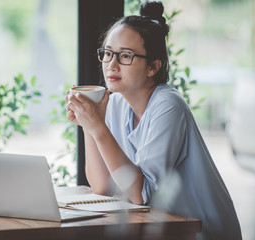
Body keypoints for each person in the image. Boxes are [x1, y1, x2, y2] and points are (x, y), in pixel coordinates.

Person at [66, 1, 242, 239]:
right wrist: (89, 123)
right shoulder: (117, 103)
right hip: (161, 229)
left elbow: (141, 194)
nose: (111, 64)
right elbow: (103, 187)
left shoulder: (168, 106)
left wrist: (98, 127)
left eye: (125, 55)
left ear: (153, 67)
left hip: (200, 232)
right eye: (107, 53)